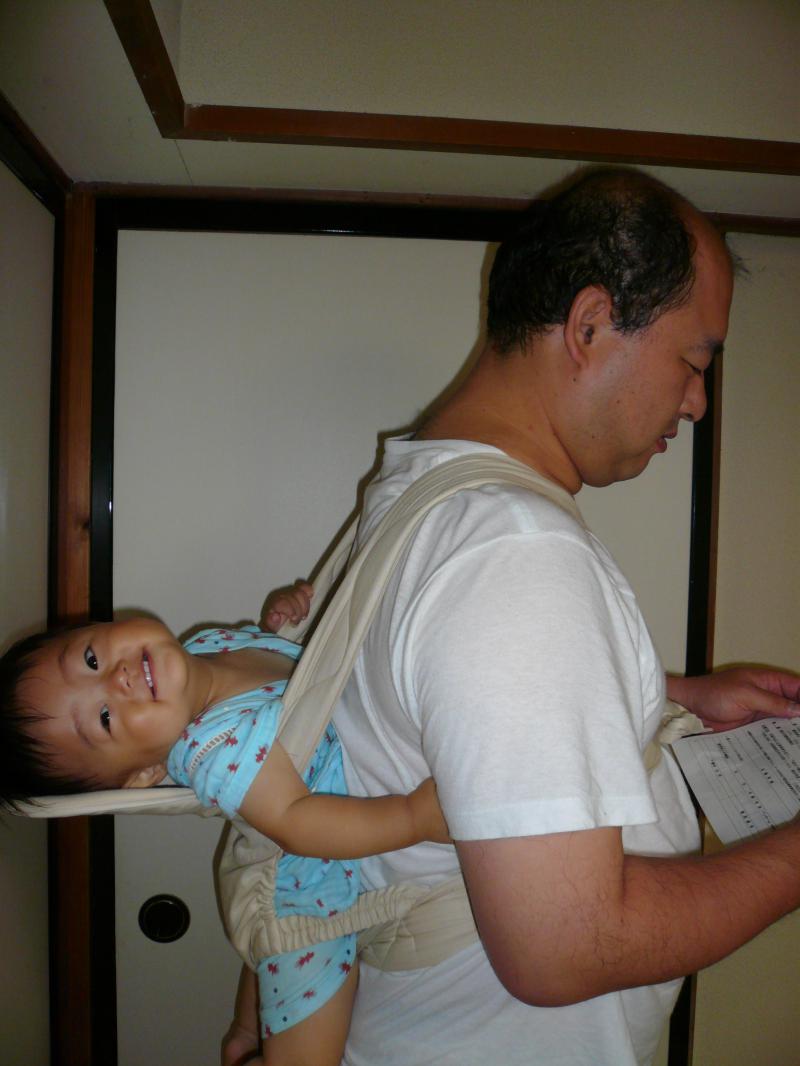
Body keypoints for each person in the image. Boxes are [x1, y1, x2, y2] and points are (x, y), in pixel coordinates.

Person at [316, 168, 800, 1065]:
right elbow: (567, 945)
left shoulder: (413, 497)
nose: (698, 402)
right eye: (694, 363)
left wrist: (673, 695)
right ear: (589, 326)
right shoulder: (514, 552)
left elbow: (442, 707)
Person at [0, 592, 448, 1066]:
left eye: (91, 658)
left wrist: (277, 626)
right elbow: (298, 821)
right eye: (105, 718)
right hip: (313, 889)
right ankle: (251, 1044)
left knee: (262, 948)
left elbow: (294, 672)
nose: (118, 677)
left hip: (277, 852)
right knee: (299, 1013)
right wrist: (413, 817)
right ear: (146, 773)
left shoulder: (206, 644)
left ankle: (243, 1032)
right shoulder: (216, 750)